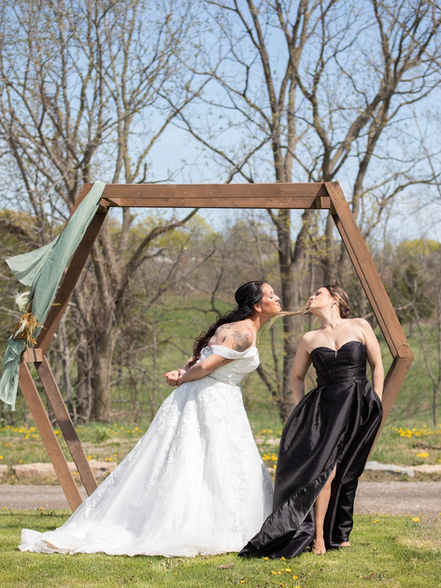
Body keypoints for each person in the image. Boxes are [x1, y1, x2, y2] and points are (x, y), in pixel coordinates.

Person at [19, 281, 280, 557]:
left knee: (214, 462)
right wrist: (182, 377)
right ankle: (190, 526)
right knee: (200, 461)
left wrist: (183, 372)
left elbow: (202, 361)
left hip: (219, 400)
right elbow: (205, 366)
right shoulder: (243, 334)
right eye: (271, 295)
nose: (277, 298)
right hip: (212, 400)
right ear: (256, 305)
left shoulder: (235, 329)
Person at [239, 284, 383, 559]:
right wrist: (304, 407)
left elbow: (377, 365)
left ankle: (339, 534)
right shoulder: (309, 338)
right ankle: (317, 537)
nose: (311, 297)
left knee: (348, 470)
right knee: (324, 472)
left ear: (335, 299)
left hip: (358, 405)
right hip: (324, 410)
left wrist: (376, 403)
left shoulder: (360, 326)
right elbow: (296, 377)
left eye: (318, 293)